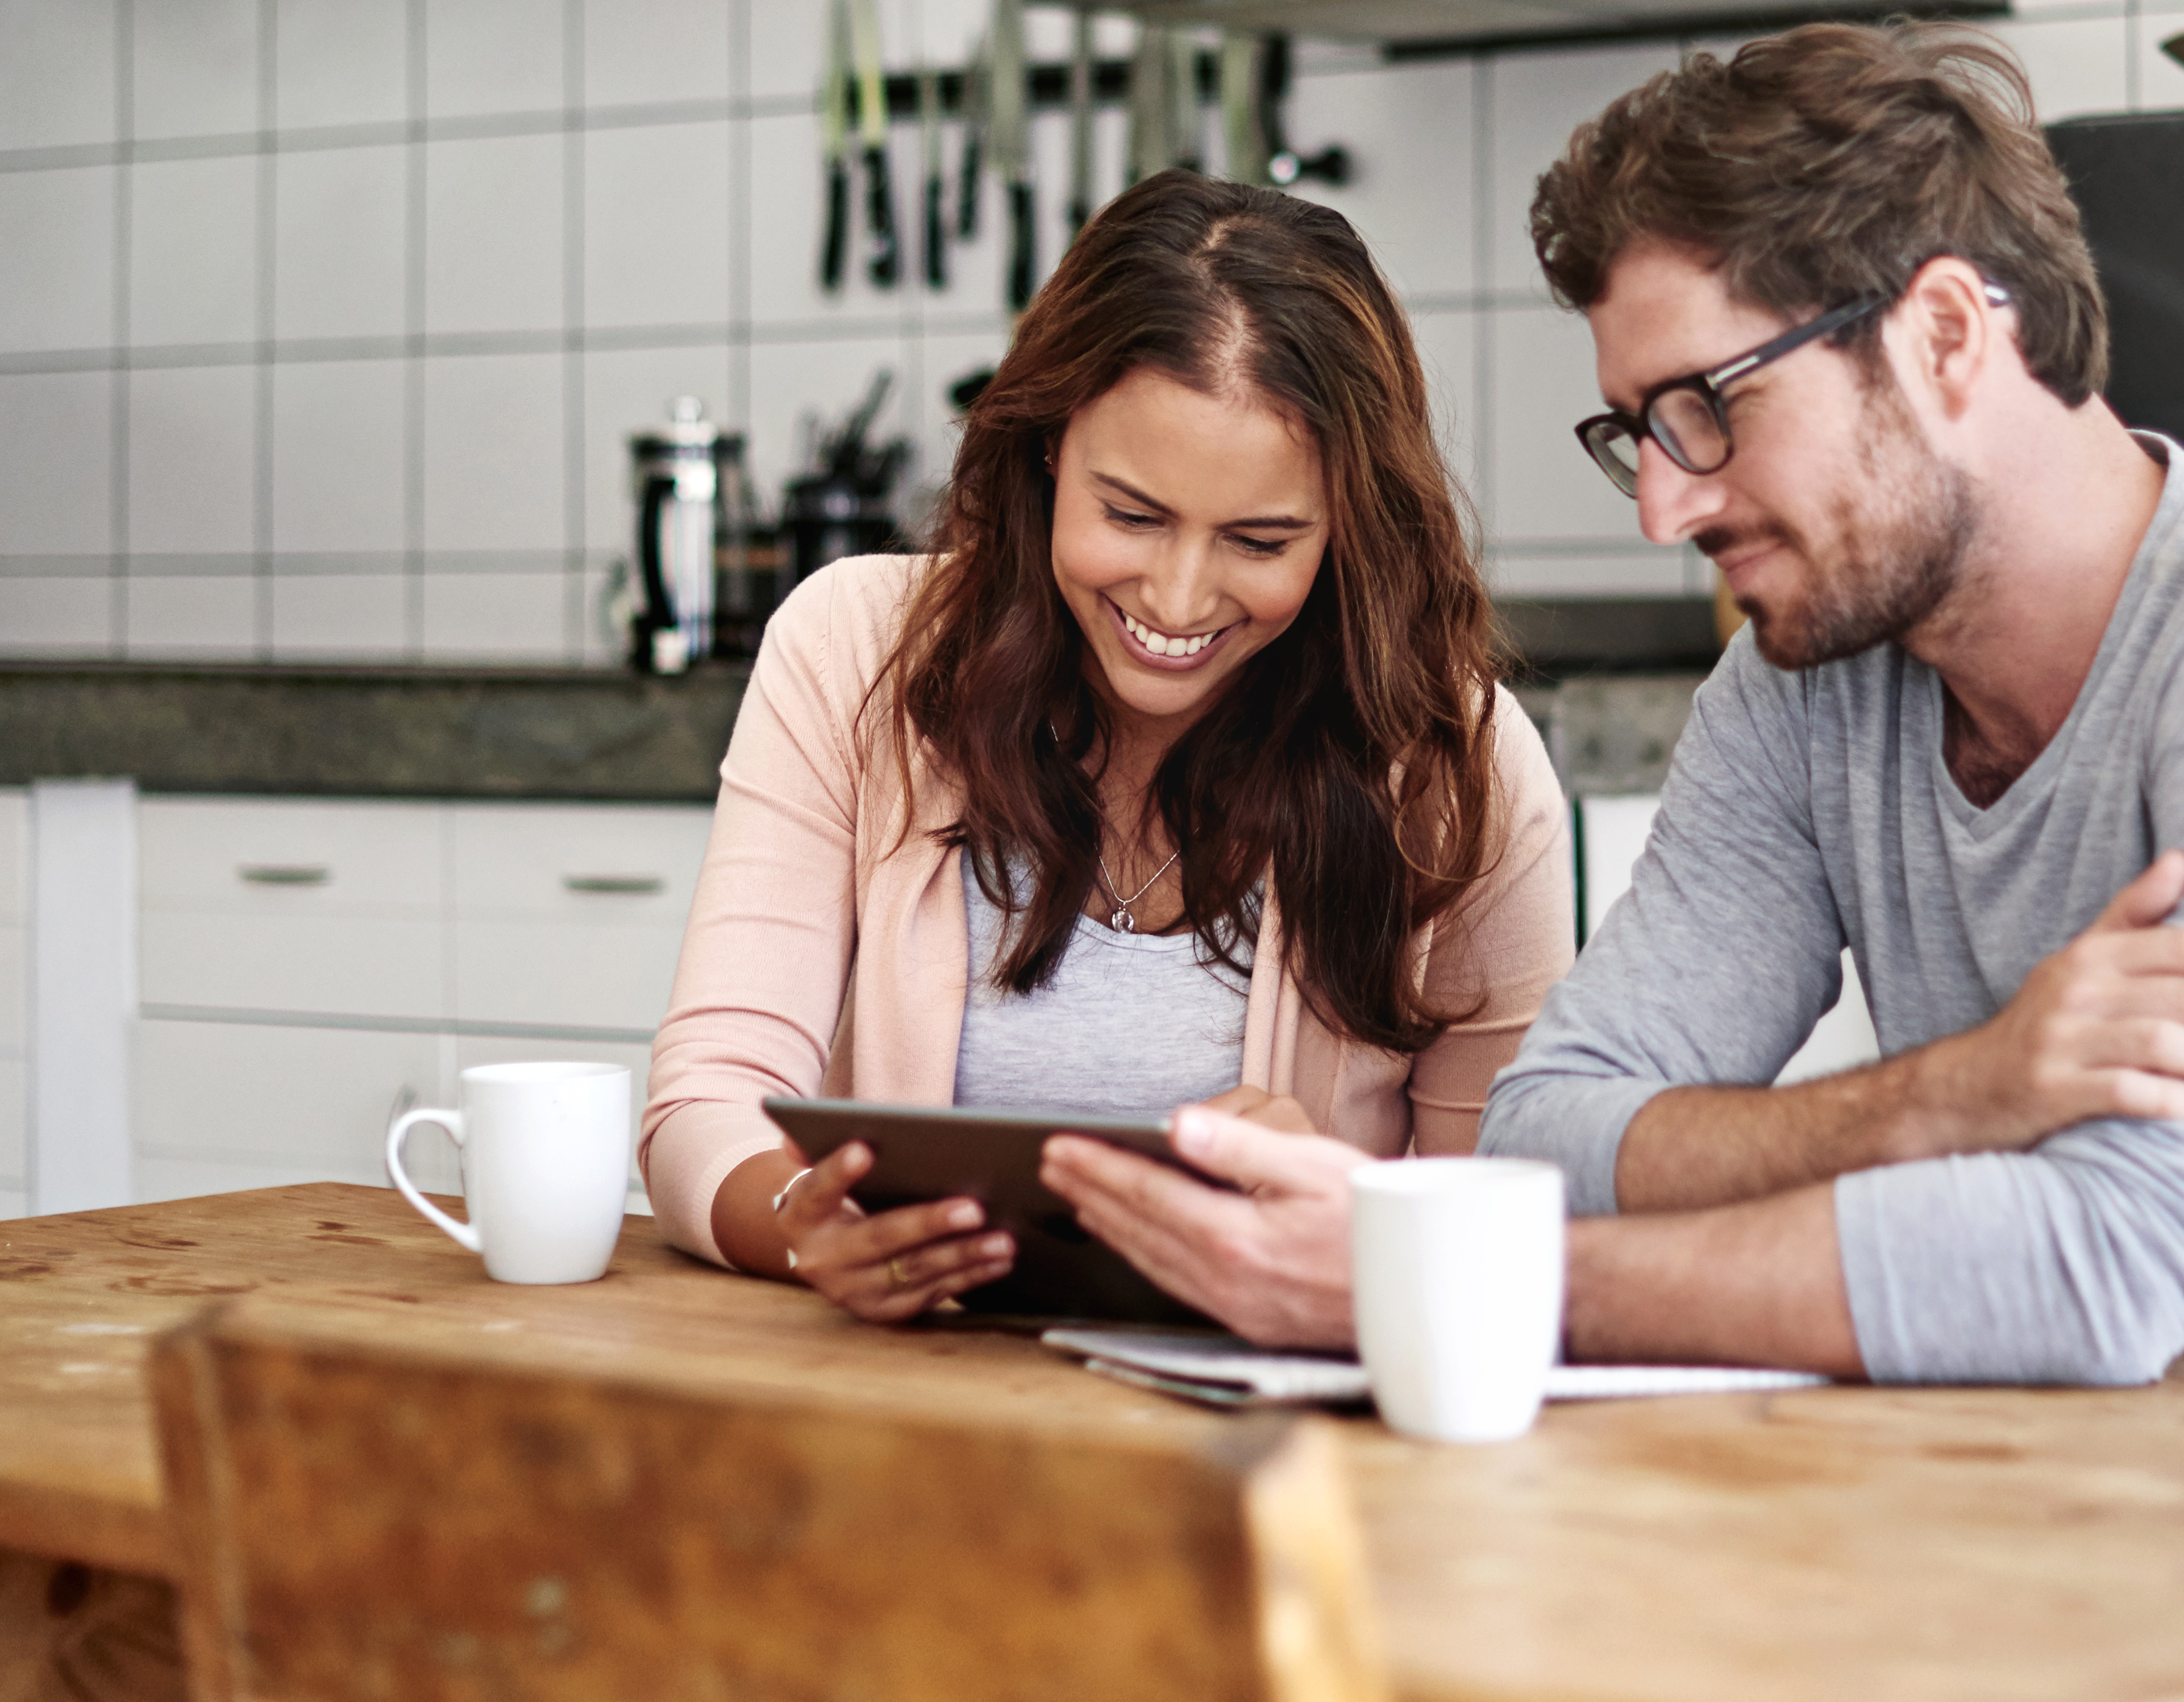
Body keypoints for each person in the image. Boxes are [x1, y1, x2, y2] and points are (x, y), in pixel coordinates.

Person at [1045, 23, 2184, 1387]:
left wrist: (1430, 1292)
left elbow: (2101, 1267)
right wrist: (1951, 1095)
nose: (1665, 508)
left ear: (1946, 334)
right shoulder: (1805, 688)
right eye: (1638, 432)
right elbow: (1553, 1121)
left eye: (1706, 411)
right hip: (2117, 1556)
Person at [640, 169, 1574, 1324]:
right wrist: (799, 1224)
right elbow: (708, 1096)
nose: (1178, 598)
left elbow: (1518, 1218)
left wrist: (1348, 1214)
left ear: (1347, 530)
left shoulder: (1451, 761)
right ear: (1044, 449)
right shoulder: (852, 651)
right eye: (1129, 514)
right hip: (904, 1419)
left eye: (1260, 538)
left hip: (1282, 1464)